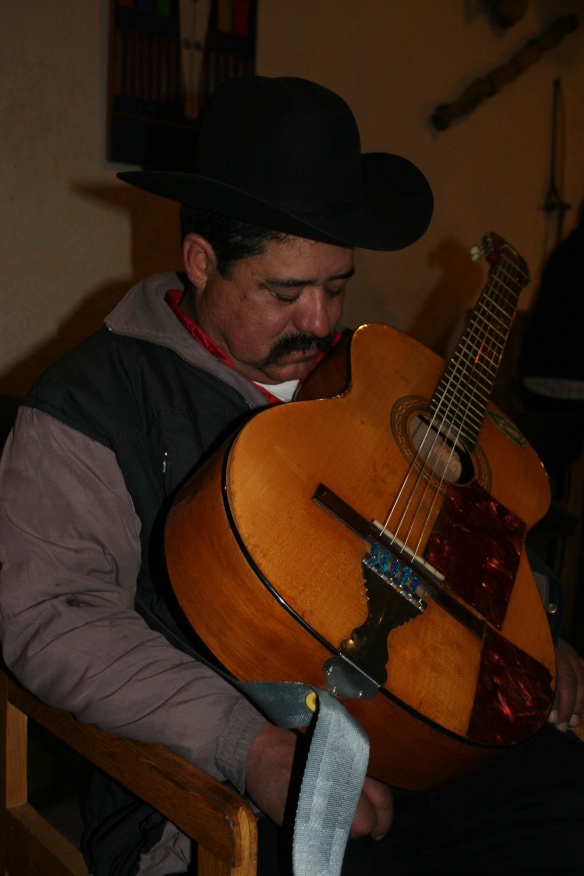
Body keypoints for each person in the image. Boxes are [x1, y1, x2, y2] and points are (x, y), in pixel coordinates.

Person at [0, 75, 583, 876]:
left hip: (431, 742)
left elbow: (467, 514)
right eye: (287, 292)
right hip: (219, 781)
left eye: (336, 287)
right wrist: (250, 746)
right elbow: (53, 617)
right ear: (202, 262)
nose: (320, 321)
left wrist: (535, 627)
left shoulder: (364, 372)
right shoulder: (90, 402)